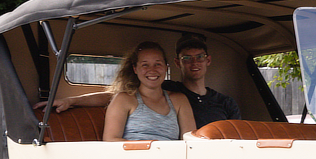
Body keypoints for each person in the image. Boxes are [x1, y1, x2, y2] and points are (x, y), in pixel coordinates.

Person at [37, 34, 241, 128]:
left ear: (208, 60)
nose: (194, 63)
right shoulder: (167, 91)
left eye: (199, 57)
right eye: (187, 58)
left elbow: (237, 137)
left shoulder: (226, 102)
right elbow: (115, 97)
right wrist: (72, 101)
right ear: (178, 63)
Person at [102, 42, 195, 142]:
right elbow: (110, 140)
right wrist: (150, 148)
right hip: (132, 156)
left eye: (157, 64)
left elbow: (191, 142)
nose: (152, 70)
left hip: (170, 156)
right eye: (145, 65)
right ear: (135, 69)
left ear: (166, 68)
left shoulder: (180, 100)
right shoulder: (124, 99)